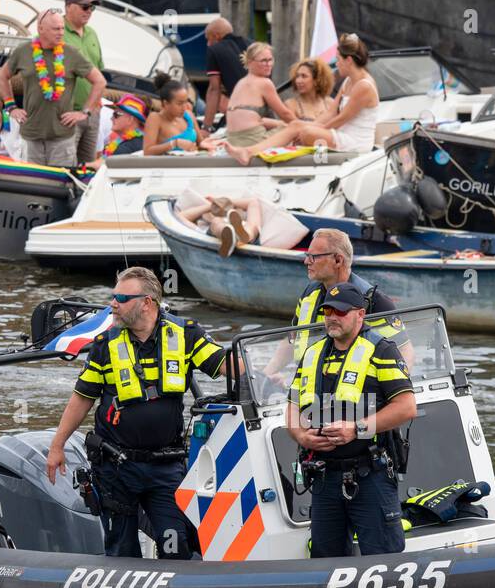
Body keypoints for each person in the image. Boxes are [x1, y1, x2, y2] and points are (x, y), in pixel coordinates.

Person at [45, 267, 230, 560]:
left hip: (166, 466)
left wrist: (263, 381)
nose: (113, 304)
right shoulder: (105, 345)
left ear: (147, 303)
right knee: (121, 549)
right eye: (113, 296)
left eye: (121, 297)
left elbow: (226, 366)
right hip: (116, 467)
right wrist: (57, 446)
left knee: (175, 545)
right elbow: (82, 397)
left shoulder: (186, 335)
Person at [286, 282, 417, 558]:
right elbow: (292, 406)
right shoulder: (312, 354)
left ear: (360, 314)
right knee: (325, 559)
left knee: (383, 560)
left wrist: (355, 429)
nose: (332, 317)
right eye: (327, 311)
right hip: (324, 478)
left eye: (341, 311)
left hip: (370, 475)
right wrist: (301, 435)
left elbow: (406, 408)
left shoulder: (382, 351)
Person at [266, 228, 409, 381]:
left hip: (352, 395)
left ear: (338, 260)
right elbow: (294, 339)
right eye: (307, 255)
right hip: (306, 386)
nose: (306, 261)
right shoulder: (309, 294)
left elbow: (404, 353)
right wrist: (266, 374)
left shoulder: (373, 301)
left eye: (313, 256)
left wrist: (390, 394)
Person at [224, 34, 378, 165]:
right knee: (297, 125)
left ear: (349, 60)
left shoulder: (363, 86)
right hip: (341, 134)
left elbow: (340, 119)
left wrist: (313, 129)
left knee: (305, 132)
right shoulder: (349, 82)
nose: (336, 64)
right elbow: (331, 112)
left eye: (338, 59)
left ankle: (250, 151)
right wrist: (310, 126)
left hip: (355, 142)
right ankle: (248, 152)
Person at [0, 9, 105, 167]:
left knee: (62, 186)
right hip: (31, 136)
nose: (61, 32)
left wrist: (85, 112)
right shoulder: (23, 51)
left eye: (62, 28)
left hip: (62, 137)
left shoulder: (71, 53)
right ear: (41, 29)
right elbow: (2, 76)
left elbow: (100, 81)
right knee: (33, 185)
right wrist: (11, 106)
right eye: (56, 29)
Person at [208, 42, 297, 150]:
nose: (268, 64)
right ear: (250, 62)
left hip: (232, 140)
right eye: (263, 61)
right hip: (253, 140)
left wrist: (281, 123)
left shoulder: (240, 82)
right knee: (295, 128)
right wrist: (302, 126)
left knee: (285, 125)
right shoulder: (264, 83)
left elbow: (258, 120)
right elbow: (285, 113)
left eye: (270, 60)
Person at [62, 0, 105, 165]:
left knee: (88, 168)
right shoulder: (57, 32)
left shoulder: (92, 33)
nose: (89, 12)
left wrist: (96, 105)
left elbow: (100, 69)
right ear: (68, 7)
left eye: (91, 8)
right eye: (84, 7)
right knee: (66, 166)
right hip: (68, 114)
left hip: (91, 114)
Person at [202, 16, 250, 132]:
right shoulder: (251, 44)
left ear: (217, 36)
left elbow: (214, 90)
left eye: (209, 39)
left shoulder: (214, 50)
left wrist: (206, 127)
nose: (208, 44)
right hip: (262, 108)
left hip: (240, 112)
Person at [177, 194, 263, 257]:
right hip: (248, 240)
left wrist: (223, 202)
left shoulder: (242, 220)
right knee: (216, 222)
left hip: (244, 232)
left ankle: (234, 236)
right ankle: (230, 234)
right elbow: (179, 217)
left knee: (252, 226)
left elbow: (253, 202)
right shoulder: (203, 230)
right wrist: (210, 206)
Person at [143, 73, 206, 155]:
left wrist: (211, 144)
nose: (184, 107)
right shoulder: (155, 118)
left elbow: (201, 143)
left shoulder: (188, 115)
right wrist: (174, 143)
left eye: (186, 101)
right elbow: (147, 151)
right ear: (165, 103)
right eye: (180, 104)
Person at [87, 94, 148, 164]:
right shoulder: (133, 141)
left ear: (130, 119)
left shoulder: (128, 147)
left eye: (116, 114)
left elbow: (105, 166)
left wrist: (84, 165)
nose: (111, 118)